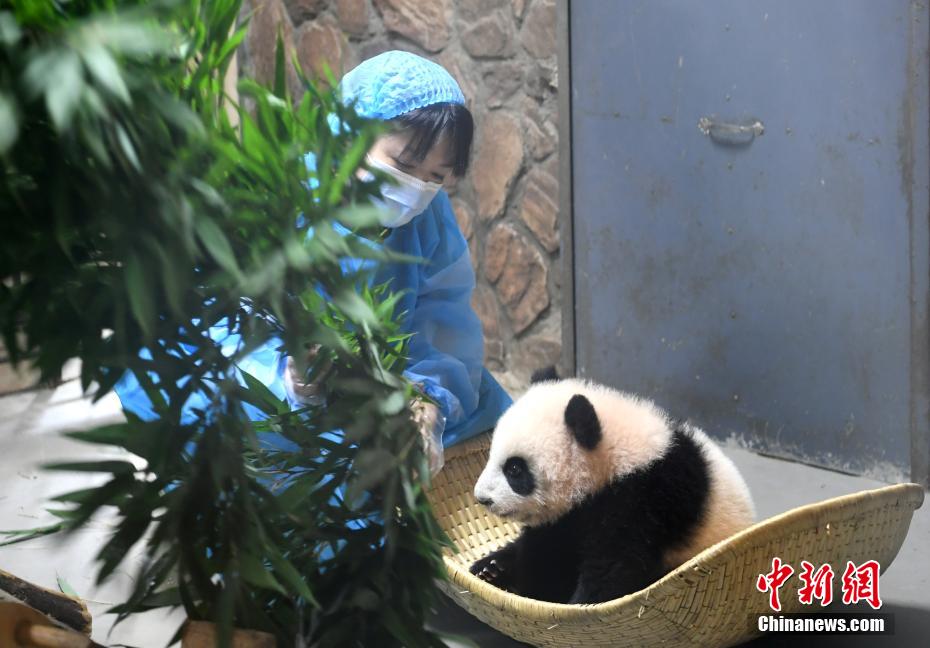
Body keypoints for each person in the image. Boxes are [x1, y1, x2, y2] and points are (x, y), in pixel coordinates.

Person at [114, 50, 512, 473]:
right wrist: (284, 378)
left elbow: (443, 318)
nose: (416, 189)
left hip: (371, 388)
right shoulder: (282, 196)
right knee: (237, 421)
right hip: (258, 377)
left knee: (485, 409)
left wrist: (426, 399)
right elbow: (213, 310)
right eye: (404, 165)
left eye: (436, 177)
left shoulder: (429, 217)